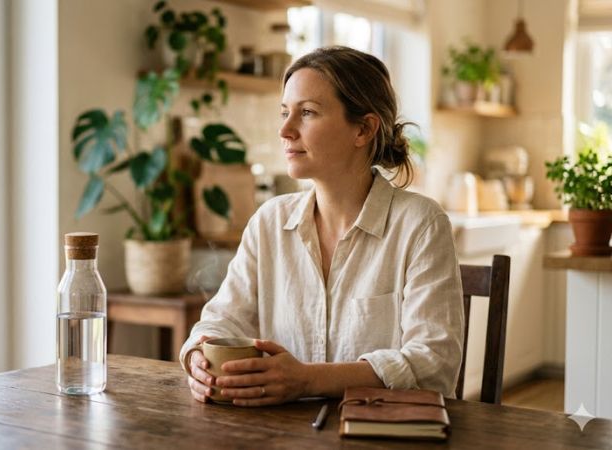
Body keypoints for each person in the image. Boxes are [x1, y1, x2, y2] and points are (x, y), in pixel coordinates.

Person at [180, 46, 465, 407]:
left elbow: (434, 364)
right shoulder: (269, 222)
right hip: (283, 434)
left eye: (308, 113)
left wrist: (308, 380)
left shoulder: (422, 224)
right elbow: (219, 323)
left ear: (363, 129)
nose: (285, 130)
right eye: (285, 112)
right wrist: (198, 361)